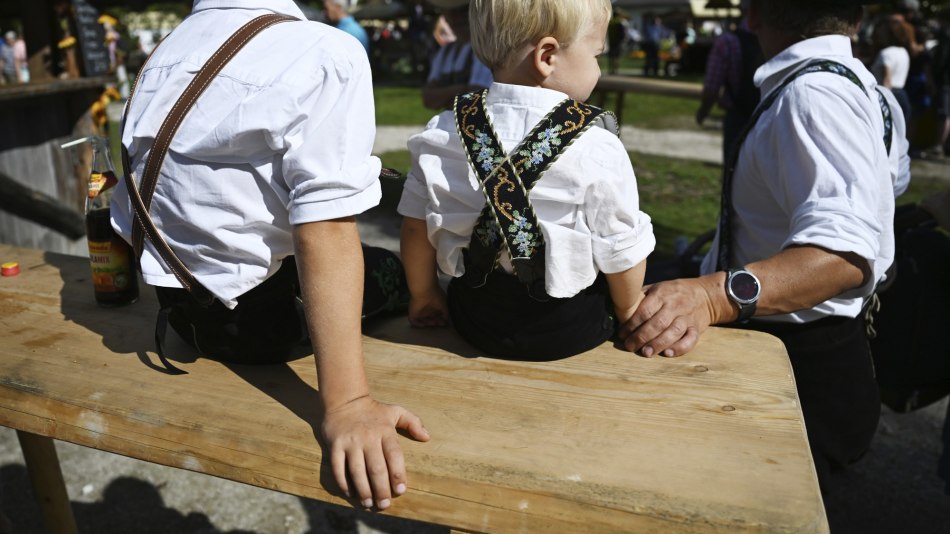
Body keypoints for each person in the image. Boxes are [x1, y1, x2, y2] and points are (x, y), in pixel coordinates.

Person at [111, 0, 429, 511]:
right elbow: (323, 227)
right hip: (272, 323)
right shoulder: (325, 51)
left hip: (183, 315)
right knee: (390, 268)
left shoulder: (168, 50)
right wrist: (347, 405)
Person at [619, 0, 910, 493]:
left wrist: (710, 296)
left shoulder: (814, 96)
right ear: (857, 20)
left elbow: (842, 255)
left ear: (752, 15)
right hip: (825, 353)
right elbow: (884, 190)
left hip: (799, 369)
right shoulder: (874, 94)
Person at [398, 0, 655, 360]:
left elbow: (415, 227)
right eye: (596, 54)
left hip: (474, 318)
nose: (598, 69)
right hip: (568, 328)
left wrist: (424, 296)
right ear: (547, 56)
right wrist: (629, 312)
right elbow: (621, 246)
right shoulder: (597, 145)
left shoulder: (443, 131)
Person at [696, 0, 763, 162]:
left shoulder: (727, 42)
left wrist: (703, 112)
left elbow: (712, 86)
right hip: (770, 114)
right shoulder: (776, 40)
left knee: (734, 175)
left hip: (738, 117)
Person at [421, 0, 493, 110]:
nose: (457, 18)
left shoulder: (485, 48)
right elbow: (428, 99)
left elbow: (476, 95)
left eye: (462, 11)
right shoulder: (445, 52)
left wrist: (444, 94)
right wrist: (463, 89)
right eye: (451, 12)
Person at [870, 15, 913, 124]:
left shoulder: (886, 54)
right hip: (903, 96)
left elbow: (887, 80)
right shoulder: (904, 52)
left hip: (889, 96)